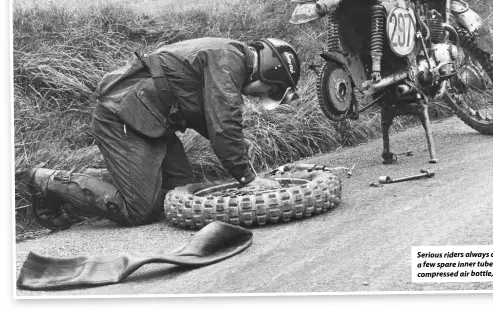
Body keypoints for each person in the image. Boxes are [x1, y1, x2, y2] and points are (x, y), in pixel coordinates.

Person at [29, 37, 301, 229]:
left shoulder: (229, 56)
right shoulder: (228, 61)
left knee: (177, 186)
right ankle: (48, 182)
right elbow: (223, 125)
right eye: (269, 90)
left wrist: (239, 144)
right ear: (270, 73)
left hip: (148, 118)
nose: (261, 96)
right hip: (123, 117)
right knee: (139, 210)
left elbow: (204, 114)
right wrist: (248, 178)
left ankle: (94, 179)